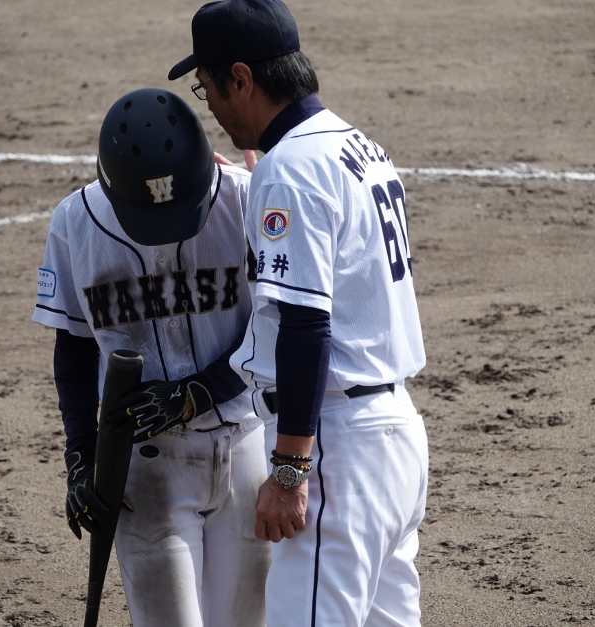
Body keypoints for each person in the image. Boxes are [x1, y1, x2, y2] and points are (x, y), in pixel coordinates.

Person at [168, 2, 429, 625]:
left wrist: (289, 470)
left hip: (337, 446)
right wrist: (269, 186)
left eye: (207, 89)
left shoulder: (291, 171)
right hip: (395, 438)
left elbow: (307, 327)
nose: (211, 107)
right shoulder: (355, 144)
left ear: (241, 79)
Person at [32, 87, 269, 626]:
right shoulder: (75, 224)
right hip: (145, 470)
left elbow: (274, 326)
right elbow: (74, 350)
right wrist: (81, 457)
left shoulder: (244, 199)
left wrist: (203, 391)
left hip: (247, 448)